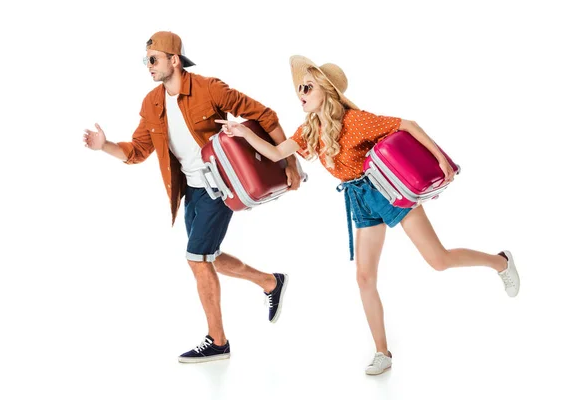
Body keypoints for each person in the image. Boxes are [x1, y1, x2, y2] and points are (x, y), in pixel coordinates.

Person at [216, 55, 520, 375]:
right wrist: (242, 133)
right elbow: (278, 153)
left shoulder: (355, 120)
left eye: (306, 87)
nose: (300, 93)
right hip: (359, 199)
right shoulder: (310, 130)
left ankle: (500, 261)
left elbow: (407, 125)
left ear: (326, 90)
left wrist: (440, 158)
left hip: (386, 190)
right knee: (364, 278)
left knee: (438, 259)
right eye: (298, 89)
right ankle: (382, 352)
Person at [83, 31, 301, 363]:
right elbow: (138, 150)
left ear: (174, 59)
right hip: (191, 191)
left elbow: (265, 115)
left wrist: (288, 162)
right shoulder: (152, 103)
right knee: (206, 256)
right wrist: (106, 147)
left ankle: (218, 342)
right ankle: (270, 282)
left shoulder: (208, 88)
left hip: (222, 186)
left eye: (153, 59)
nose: (148, 66)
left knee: (196, 258)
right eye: (146, 60)